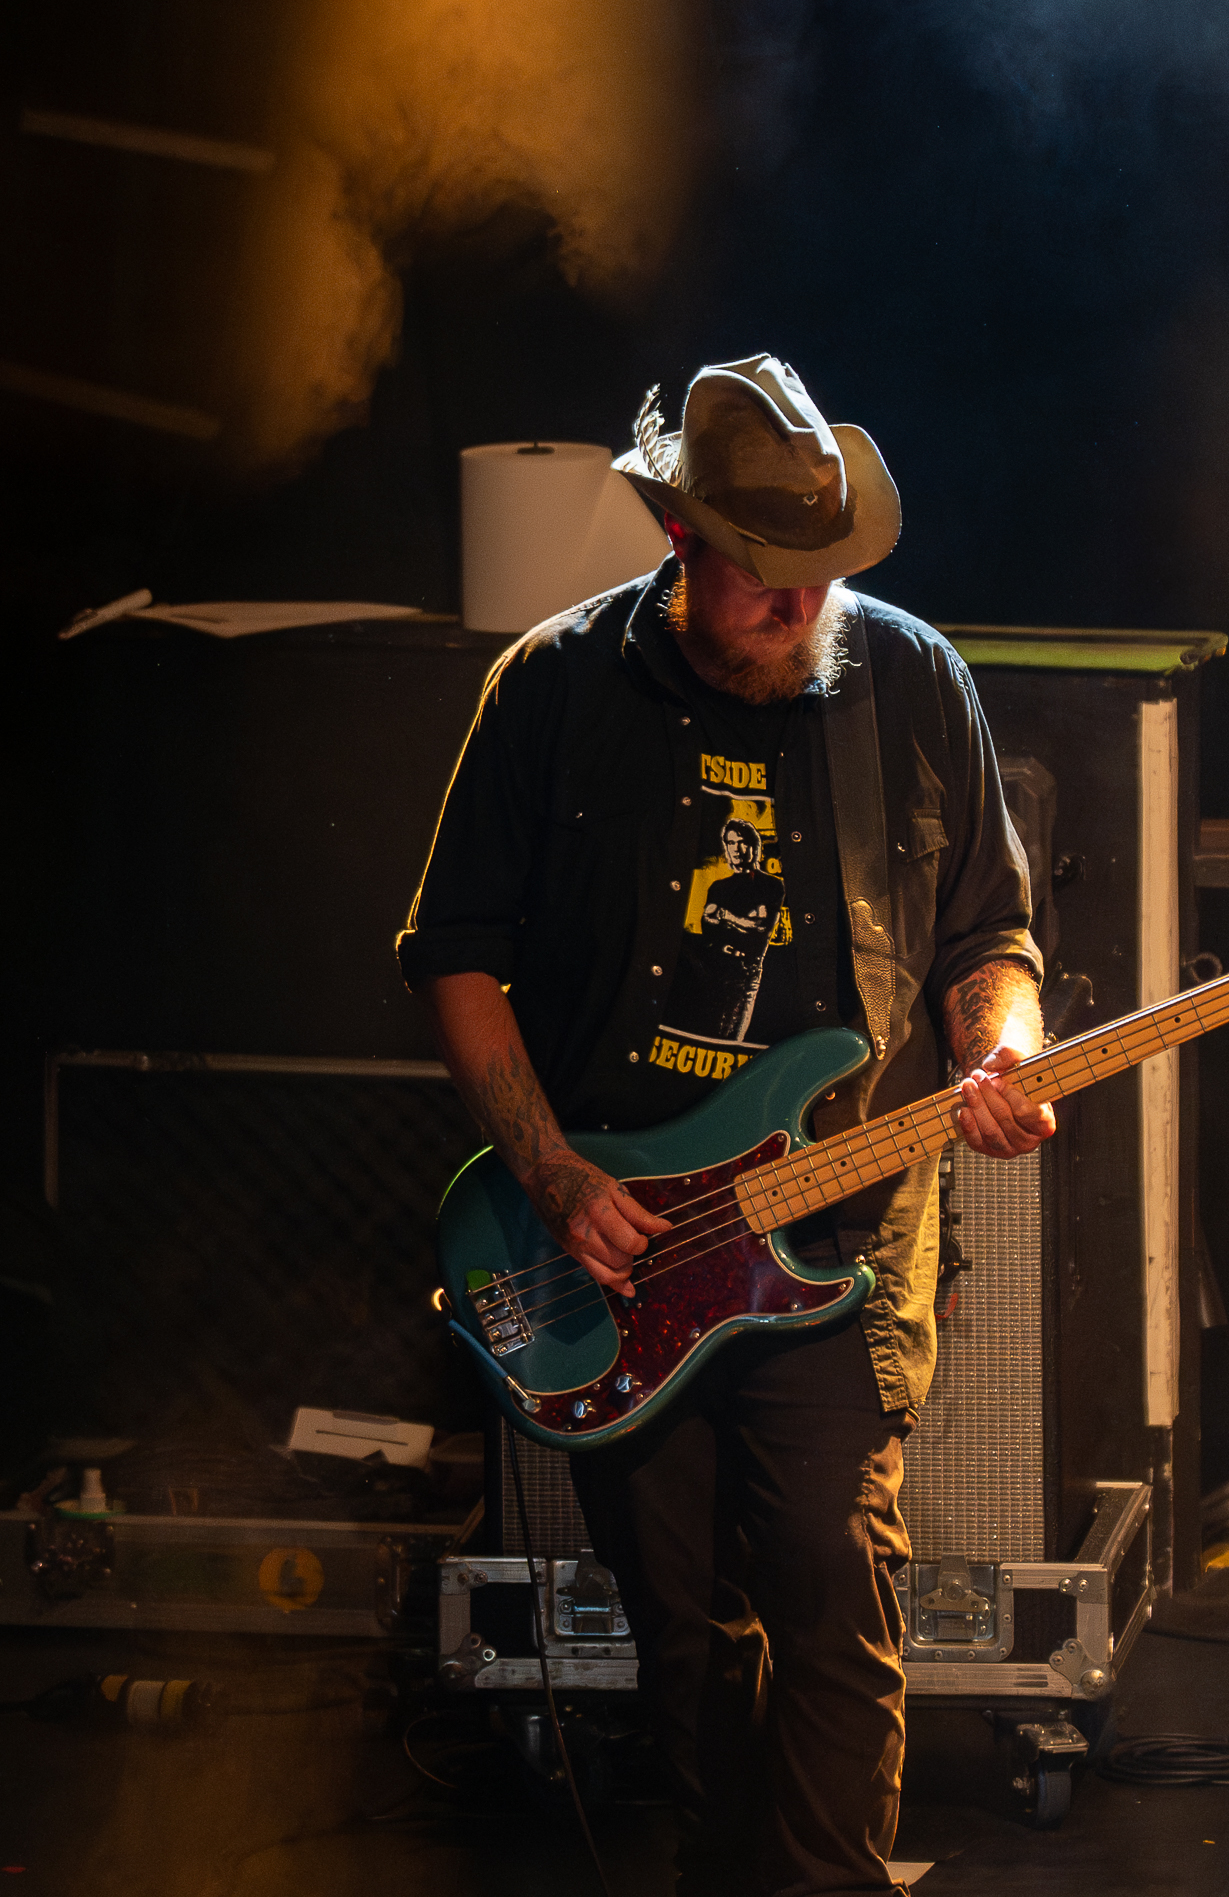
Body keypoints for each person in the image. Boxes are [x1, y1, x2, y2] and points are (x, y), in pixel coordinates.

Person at [399, 354, 1055, 1896]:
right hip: (626, 1249)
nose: (801, 613)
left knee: (838, 1588)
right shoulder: (554, 691)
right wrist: (556, 1180)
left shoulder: (907, 682)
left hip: (838, 1237)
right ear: (682, 548)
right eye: (769, 585)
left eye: (825, 581)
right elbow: (454, 956)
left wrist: (998, 1056)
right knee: (684, 1632)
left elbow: (991, 943)